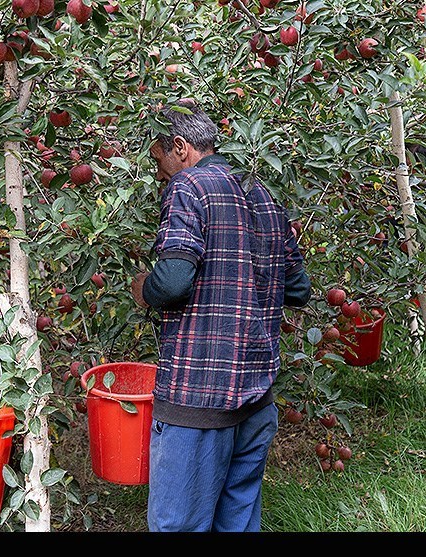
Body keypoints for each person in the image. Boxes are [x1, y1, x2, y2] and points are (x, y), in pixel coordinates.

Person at [131, 100, 311, 532]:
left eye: (159, 160)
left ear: (180, 147)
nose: (159, 173)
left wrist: (145, 290)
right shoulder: (261, 191)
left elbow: (173, 280)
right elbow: (298, 289)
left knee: (179, 525)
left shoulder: (188, 187)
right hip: (255, 396)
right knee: (238, 523)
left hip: (200, 397)